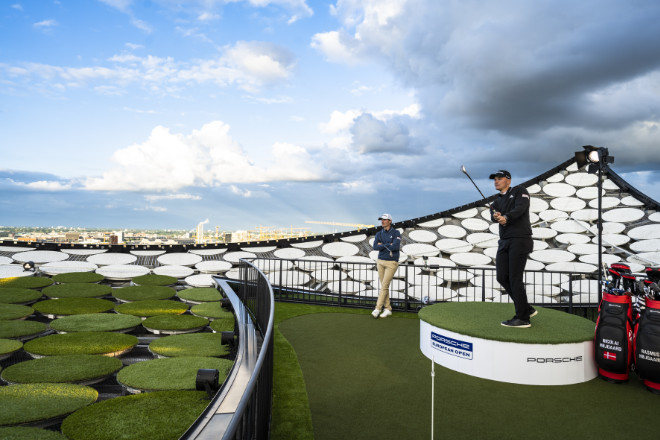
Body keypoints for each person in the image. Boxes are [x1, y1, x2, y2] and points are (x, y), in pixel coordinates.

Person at [489, 170, 537, 328]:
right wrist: (497, 217)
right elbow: (494, 216)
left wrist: (506, 217)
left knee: (515, 279)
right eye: (495, 179)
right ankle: (526, 308)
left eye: (500, 178)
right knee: (502, 277)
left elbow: (520, 208)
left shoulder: (520, 191)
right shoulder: (495, 203)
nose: (496, 181)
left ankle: (523, 318)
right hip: (504, 241)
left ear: (508, 180)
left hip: (520, 239)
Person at [371, 213, 401, 319]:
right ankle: (388, 308)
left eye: (384, 220)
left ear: (390, 221)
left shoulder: (396, 232)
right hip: (380, 261)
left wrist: (382, 245)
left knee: (384, 286)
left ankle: (377, 309)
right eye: (381, 220)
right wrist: (388, 244)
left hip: (391, 262)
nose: (382, 221)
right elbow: (375, 246)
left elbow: (395, 246)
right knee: (385, 286)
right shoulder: (379, 233)